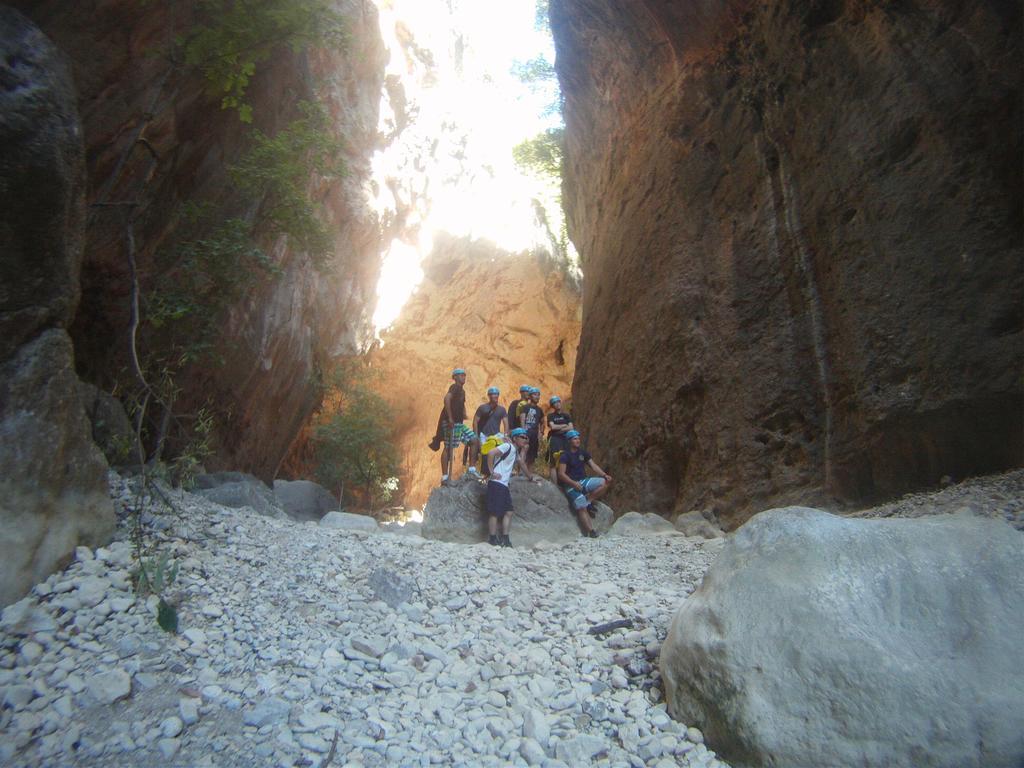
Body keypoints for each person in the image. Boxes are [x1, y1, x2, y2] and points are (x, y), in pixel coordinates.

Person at [486, 428, 539, 547]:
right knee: (494, 512)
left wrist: (531, 477)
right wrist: (491, 472)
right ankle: (492, 539)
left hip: (504, 485)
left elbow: (522, 463)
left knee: (509, 511)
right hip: (496, 483)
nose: (525, 439)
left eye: (526, 438)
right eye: (522, 437)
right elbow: (491, 453)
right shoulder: (507, 446)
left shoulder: (514, 451)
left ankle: (505, 539)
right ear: (515, 438)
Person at [557, 430, 613, 538]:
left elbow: (593, 465)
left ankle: (589, 501)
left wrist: (605, 475)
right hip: (570, 485)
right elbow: (561, 474)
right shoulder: (565, 455)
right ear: (569, 441)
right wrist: (573, 484)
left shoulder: (583, 453)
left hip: (583, 481)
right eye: (575, 439)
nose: (578, 440)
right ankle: (591, 531)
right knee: (581, 507)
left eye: (578, 438)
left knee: (604, 482)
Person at [438, 368, 476, 485]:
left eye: (464, 375)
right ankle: (445, 477)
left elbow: (462, 403)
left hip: (458, 423)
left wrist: (463, 413)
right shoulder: (454, 387)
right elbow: (447, 399)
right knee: (448, 447)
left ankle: (472, 470)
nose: (464, 377)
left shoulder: (462, 391)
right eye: (461, 375)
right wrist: (450, 417)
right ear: (455, 377)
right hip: (450, 422)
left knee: (474, 440)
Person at [470, 386, 508, 477]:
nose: (495, 396)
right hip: (484, 435)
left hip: (496, 436)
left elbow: (506, 423)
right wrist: (476, 435)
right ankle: (483, 474)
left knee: (496, 454)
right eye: (493, 394)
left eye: (496, 394)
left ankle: (494, 473)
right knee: (484, 454)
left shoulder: (501, 410)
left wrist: (506, 435)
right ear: (489, 396)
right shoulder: (482, 408)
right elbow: (475, 421)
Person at [545, 395, 574, 483]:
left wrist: (559, 428)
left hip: (566, 439)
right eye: (554, 403)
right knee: (553, 461)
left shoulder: (566, 415)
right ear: (552, 406)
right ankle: (555, 485)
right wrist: (564, 426)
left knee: (566, 460)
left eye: (558, 402)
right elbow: (552, 427)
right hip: (554, 439)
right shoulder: (550, 416)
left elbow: (571, 428)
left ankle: (565, 482)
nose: (557, 404)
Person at [518, 386, 545, 467]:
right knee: (523, 452)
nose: (537, 397)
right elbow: (522, 419)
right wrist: (523, 432)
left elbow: (542, 422)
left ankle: (529, 474)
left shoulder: (539, 410)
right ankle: (520, 473)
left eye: (538, 395)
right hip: (526, 434)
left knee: (532, 456)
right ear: (530, 396)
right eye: (535, 394)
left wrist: (541, 432)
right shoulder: (525, 407)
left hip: (535, 435)